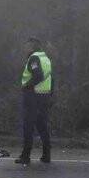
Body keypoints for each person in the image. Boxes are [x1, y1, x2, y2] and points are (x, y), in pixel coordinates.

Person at [15, 37, 53, 165]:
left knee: (28, 126)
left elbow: (38, 75)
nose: (24, 49)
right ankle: (46, 155)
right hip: (44, 96)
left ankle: (25, 156)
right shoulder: (46, 58)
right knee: (42, 126)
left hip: (33, 96)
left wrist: (26, 86)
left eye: (26, 46)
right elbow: (51, 78)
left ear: (32, 47)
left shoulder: (34, 58)